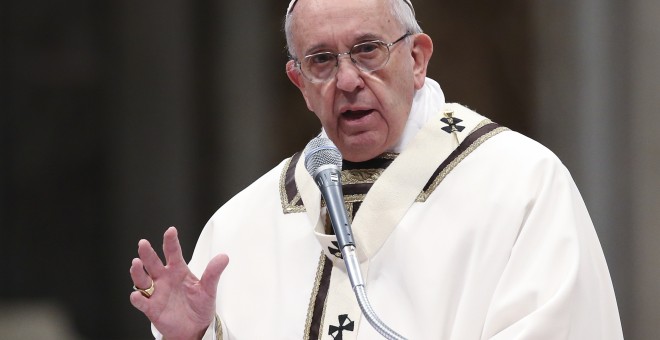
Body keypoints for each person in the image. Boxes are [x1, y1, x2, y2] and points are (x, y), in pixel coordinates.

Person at [129, 0, 624, 338]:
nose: (347, 80)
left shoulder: (520, 186)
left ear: (417, 58)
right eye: (321, 60)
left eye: (368, 50)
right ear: (298, 81)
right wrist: (197, 336)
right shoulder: (241, 227)